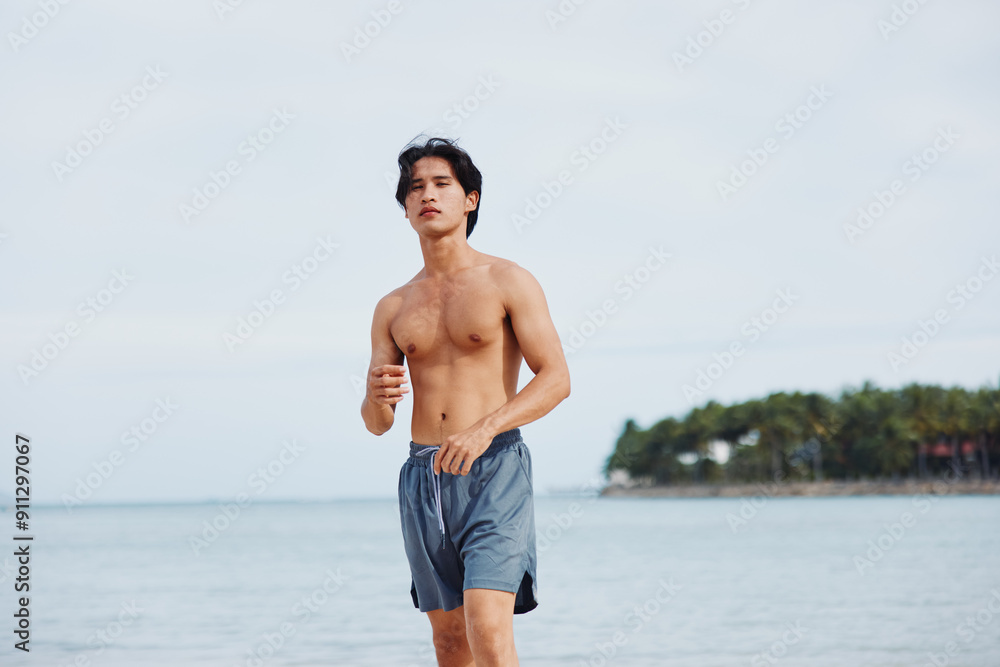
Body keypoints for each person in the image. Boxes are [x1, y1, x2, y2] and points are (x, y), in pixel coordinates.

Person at [361, 136, 570, 666]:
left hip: (494, 465)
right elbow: (377, 423)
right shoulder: (393, 306)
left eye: (440, 184)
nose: (426, 194)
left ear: (470, 199)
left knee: (487, 626)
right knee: (449, 641)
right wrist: (373, 397)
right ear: (405, 210)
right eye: (414, 188)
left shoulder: (507, 280)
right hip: (423, 475)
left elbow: (556, 378)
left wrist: (484, 429)